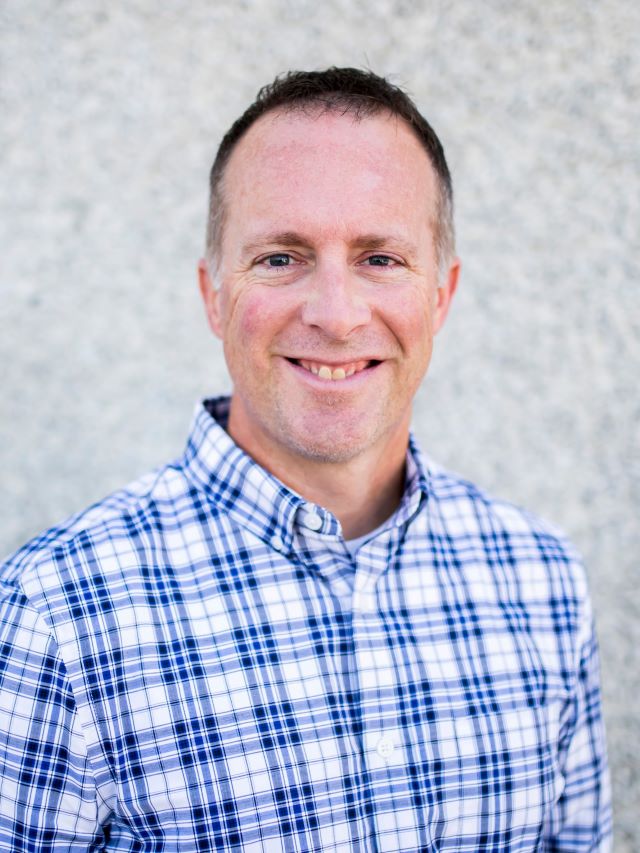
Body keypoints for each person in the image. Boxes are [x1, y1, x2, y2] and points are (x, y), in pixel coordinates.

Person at [0, 67, 611, 851]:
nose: (334, 313)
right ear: (214, 295)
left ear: (442, 296)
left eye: (380, 258)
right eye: (281, 258)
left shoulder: (543, 583)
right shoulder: (53, 619)